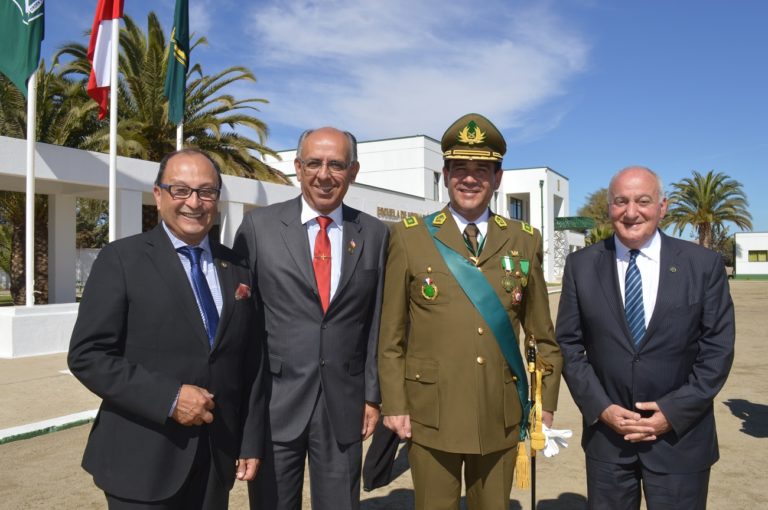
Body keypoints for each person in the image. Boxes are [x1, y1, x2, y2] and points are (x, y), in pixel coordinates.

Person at [378, 113, 563, 510]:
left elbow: (542, 335)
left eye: (482, 170)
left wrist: (544, 403)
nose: (470, 179)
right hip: (432, 412)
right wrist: (394, 403)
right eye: (460, 169)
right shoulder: (410, 237)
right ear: (445, 175)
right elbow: (391, 335)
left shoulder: (524, 240)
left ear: (498, 178)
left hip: (500, 410)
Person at [68, 148, 266, 510]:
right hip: (142, 461)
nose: (194, 202)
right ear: (158, 196)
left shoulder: (237, 266)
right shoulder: (121, 259)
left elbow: (250, 361)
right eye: (181, 190)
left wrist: (250, 440)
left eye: (206, 191)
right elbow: (88, 356)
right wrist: (170, 398)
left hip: (215, 459)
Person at [556, 166, 735, 509]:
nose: (631, 212)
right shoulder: (581, 266)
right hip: (609, 442)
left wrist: (673, 412)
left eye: (643, 201)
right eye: (621, 201)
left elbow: (717, 350)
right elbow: (568, 344)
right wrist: (602, 408)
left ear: (662, 206)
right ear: (609, 207)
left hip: (680, 443)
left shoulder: (703, 265)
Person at [234, 127, 389, 510]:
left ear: (353, 171)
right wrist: (243, 406)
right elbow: (242, 324)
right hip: (275, 402)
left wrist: (372, 395)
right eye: (314, 163)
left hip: (345, 404)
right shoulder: (258, 228)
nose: (324, 175)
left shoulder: (375, 234)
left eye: (336, 164)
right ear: (298, 167)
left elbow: (377, 321)